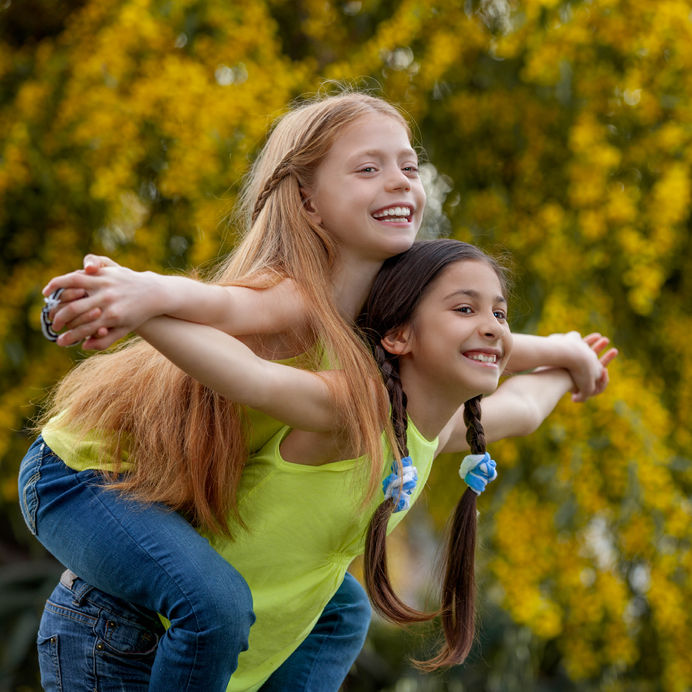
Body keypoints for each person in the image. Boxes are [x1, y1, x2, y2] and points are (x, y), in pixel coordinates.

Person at [22, 91, 613, 690]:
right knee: (214, 605)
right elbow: (220, 307)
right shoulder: (296, 294)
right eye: (368, 168)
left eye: (409, 166)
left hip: (162, 493)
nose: (400, 182)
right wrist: (141, 296)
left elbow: (472, 340)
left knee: (343, 609)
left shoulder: (382, 332)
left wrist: (566, 354)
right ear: (308, 200)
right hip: (78, 476)